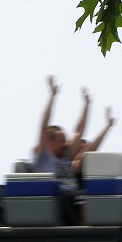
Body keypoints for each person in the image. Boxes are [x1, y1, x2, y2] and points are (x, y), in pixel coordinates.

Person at [32, 76, 90, 224]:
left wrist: (86, 105)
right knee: (68, 199)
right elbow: (43, 125)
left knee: (84, 195)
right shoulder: (43, 157)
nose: (65, 143)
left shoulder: (66, 156)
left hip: (73, 196)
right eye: (61, 140)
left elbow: (79, 130)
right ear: (49, 143)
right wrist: (52, 96)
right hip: (54, 199)